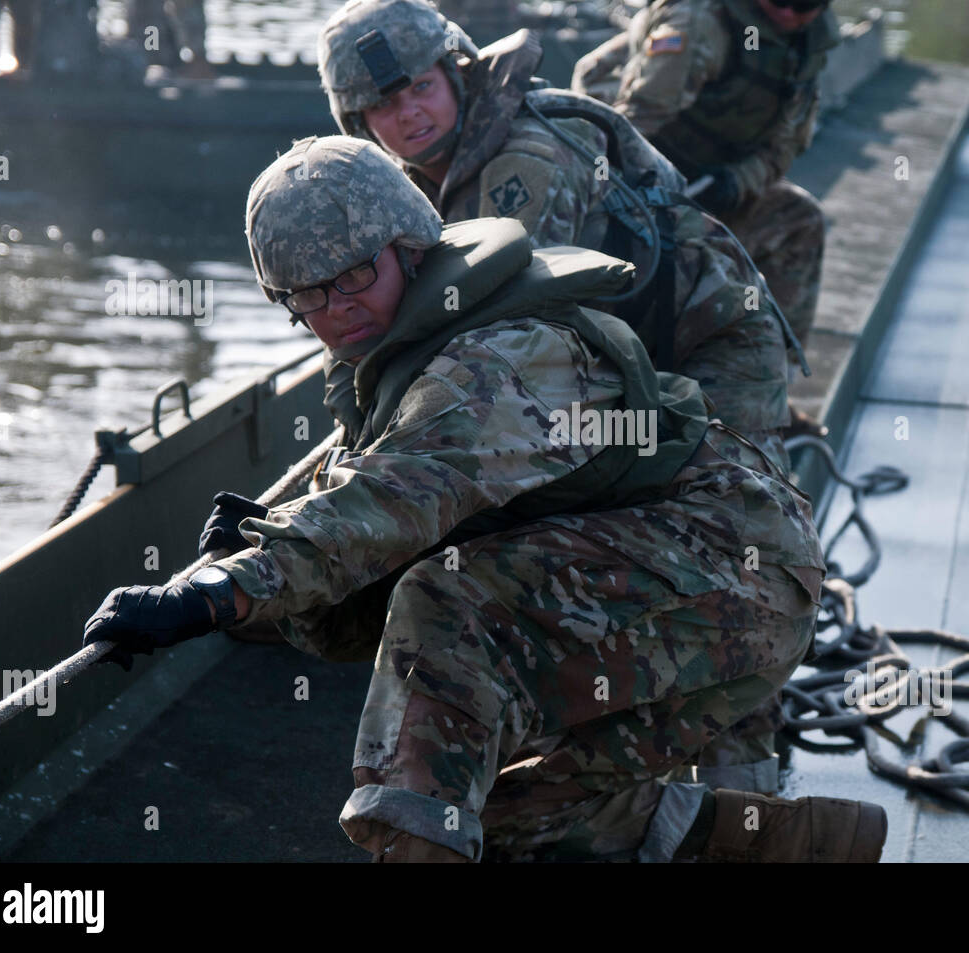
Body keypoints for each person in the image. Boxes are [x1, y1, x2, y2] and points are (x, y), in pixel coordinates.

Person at [81, 135, 887, 863]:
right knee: (500, 813)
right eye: (306, 296)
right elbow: (362, 578)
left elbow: (389, 503)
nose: (336, 309)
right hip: (663, 583)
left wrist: (214, 590)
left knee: (448, 600)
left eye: (354, 275)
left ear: (411, 246)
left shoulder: (497, 359)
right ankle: (793, 844)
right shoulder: (397, 368)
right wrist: (256, 583)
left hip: (731, 572)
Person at [316, 0, 798, 471]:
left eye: (423, 87)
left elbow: (500, 338)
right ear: (358, 121)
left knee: (736, 515)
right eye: (383, 104)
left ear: (457, 73)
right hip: (620, 355)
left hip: (710, 342)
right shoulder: (415, 182)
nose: (408, 113)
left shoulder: (526, 161)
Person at [575, 0, 840, 357]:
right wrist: (656, 200)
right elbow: (625, 131)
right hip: (637, 181)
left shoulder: (807, 40)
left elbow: (785, 145)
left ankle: (773, 379)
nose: (789, 13)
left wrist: (736, 181)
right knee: (663, 268)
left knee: (801, 218)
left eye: (805, 4)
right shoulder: (699, 21)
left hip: (710, 185)